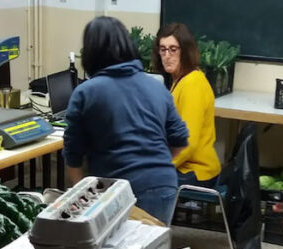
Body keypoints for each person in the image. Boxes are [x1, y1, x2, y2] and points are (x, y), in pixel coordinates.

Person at [63, 16, 189, 224]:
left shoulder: (86, 92)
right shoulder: (156, 86)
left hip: (116, 190)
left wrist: (82, 200)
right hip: (162, 185)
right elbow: (179, 140)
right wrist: (152, 163)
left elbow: (73, 155)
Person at [153, 23, 221, 188]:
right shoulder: (181, 80)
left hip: (196, 170)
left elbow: (187, 143)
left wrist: (157, 166)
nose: (167, 56)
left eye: (173, 49)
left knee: (141, 181)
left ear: (185, 51)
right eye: (163, 49)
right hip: (184, 165)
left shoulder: (192, 85)